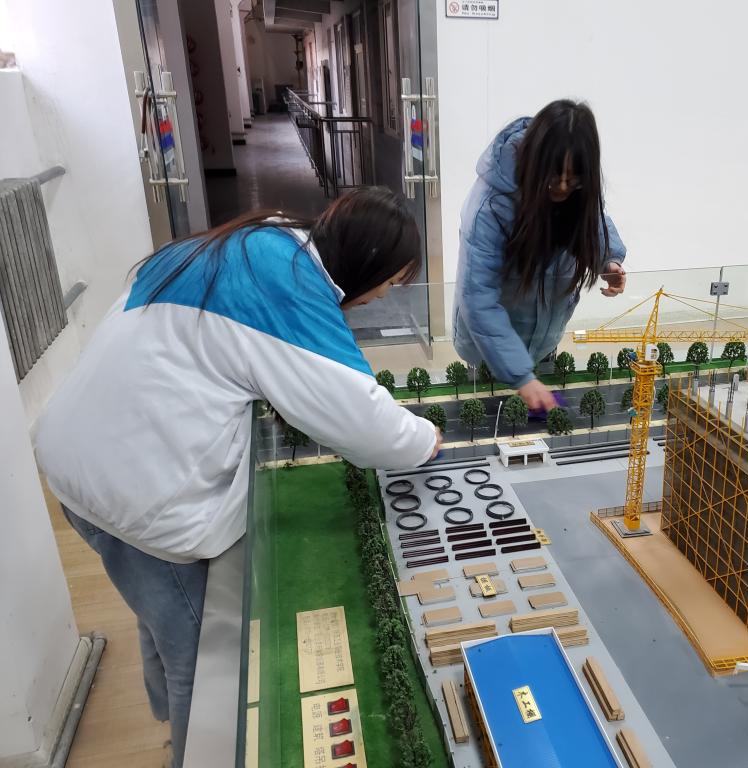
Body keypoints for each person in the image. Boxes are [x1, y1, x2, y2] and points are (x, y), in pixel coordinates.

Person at [34, 187, 441, 768]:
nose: (383, 296)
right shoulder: (290, 288)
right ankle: (187, 746)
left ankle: (165, 723)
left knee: (157, 619)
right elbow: (362, 422)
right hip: (135, 490)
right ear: (367, 261)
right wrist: (425, 439)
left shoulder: (262, 240)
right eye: (390, 282)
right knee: (204, 671)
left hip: (84, 457)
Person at [452, 99, 627, 412]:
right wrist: (521, 376)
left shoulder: (577, 193)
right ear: (534, 162)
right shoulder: (489, 206)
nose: (562, 189)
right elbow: (478, 299)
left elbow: (591, 220)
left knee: (538, 422)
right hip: (489, 351)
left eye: (573, 181)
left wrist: (609, 260)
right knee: (487, 419)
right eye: (554, 179)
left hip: (544, 339)